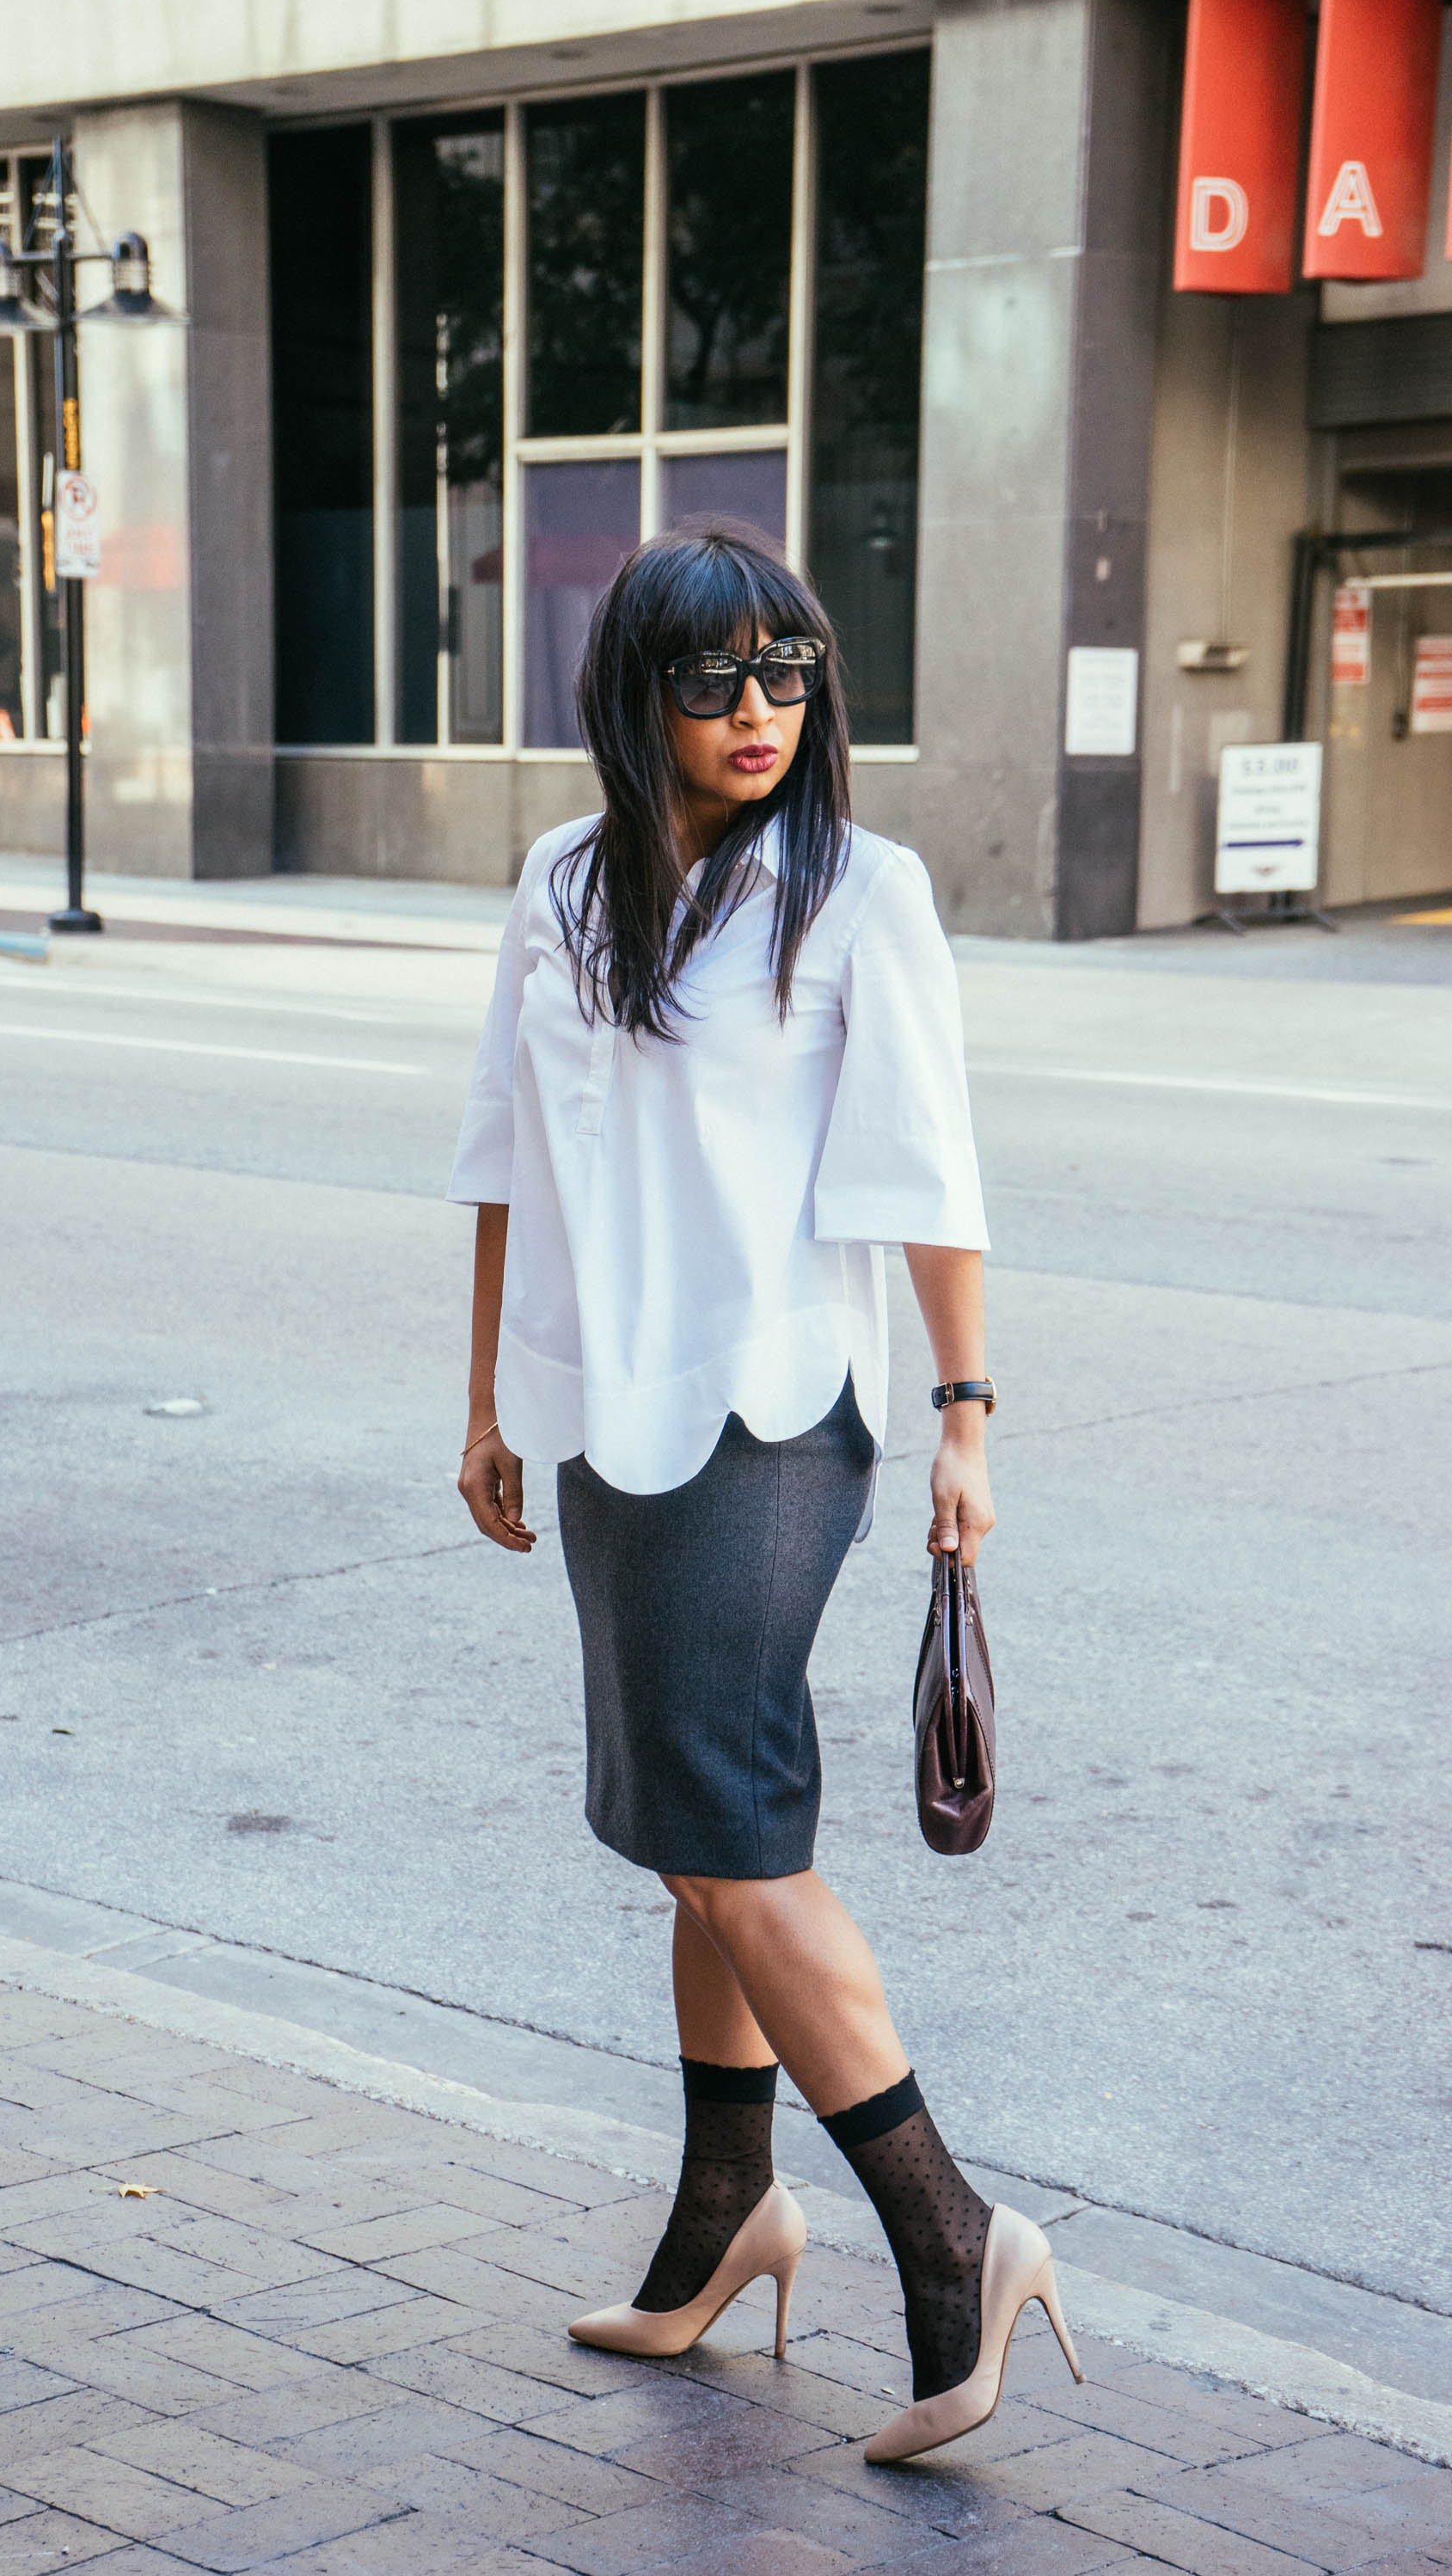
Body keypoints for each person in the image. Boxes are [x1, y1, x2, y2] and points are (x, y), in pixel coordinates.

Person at [448, 524, 1081, 2463]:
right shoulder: (560, 885)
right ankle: (727, 2219)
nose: (757, 713)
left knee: (730, 1829)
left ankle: (954, 2237)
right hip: (598, 1415)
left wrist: (968, 1413)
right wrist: (484, 1397)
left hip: (769, 1415)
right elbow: (500, 1159)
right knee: (679, 1829)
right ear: (633, 694)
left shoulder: (856, 895)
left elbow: (927, 1174)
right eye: (714, 679)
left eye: (788, 673)